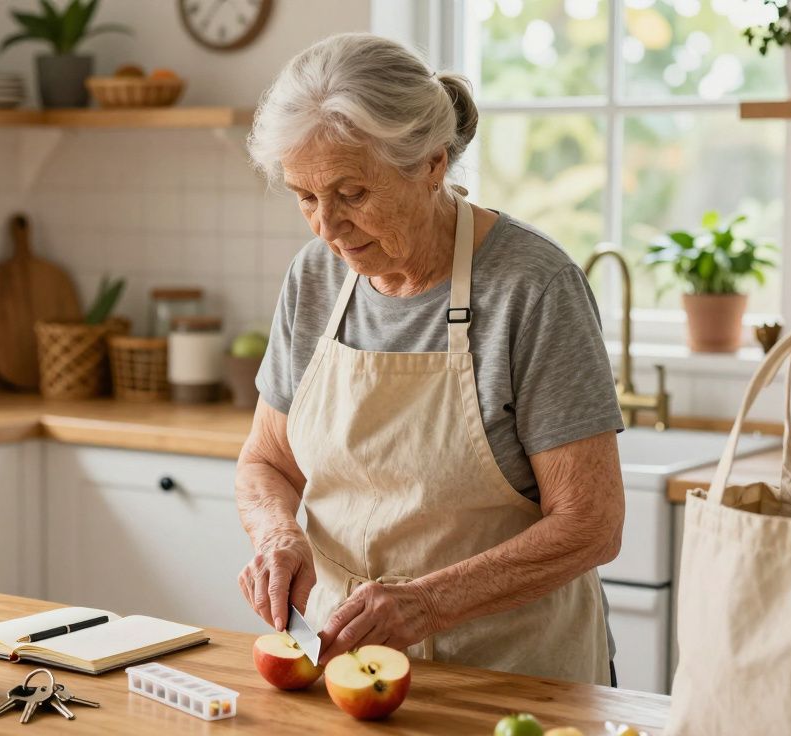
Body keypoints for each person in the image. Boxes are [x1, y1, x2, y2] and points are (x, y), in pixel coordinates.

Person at [234, 32, 626, 686]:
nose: (326, 227)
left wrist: (426, 603)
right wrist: (277, 535)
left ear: (432, 165)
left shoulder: (534, 288)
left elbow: (592, 525)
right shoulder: (315, 280)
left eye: (350, 193)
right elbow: (265, 461)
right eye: (305, 196)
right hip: (347, 665)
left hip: (514, 674)